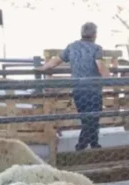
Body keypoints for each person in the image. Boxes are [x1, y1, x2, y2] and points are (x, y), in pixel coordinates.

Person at [38, 21, 109, 151]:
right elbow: (100, 65)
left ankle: (94, 145)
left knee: (86, 118)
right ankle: (81, 146)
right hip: (93, 89)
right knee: (93, 118)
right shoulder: (96, 48)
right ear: (94, 34)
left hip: (78, 90)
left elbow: (56, 61)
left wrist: (43, 68)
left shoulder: (72, 47)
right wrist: (109, 79)